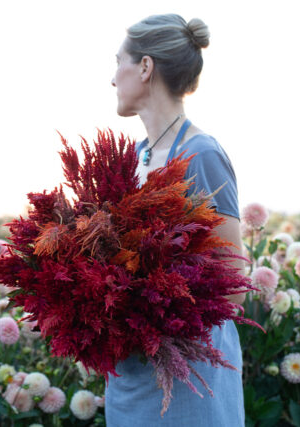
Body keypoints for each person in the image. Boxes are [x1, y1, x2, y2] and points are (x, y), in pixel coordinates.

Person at [106, 13, 247, 426]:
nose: (113, 78)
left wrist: (159, 306)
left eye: (119, 62)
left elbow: (233, 285)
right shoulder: (130, 160)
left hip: (190, 377)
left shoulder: (201, 154)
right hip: (133, 376)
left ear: (145, 67)